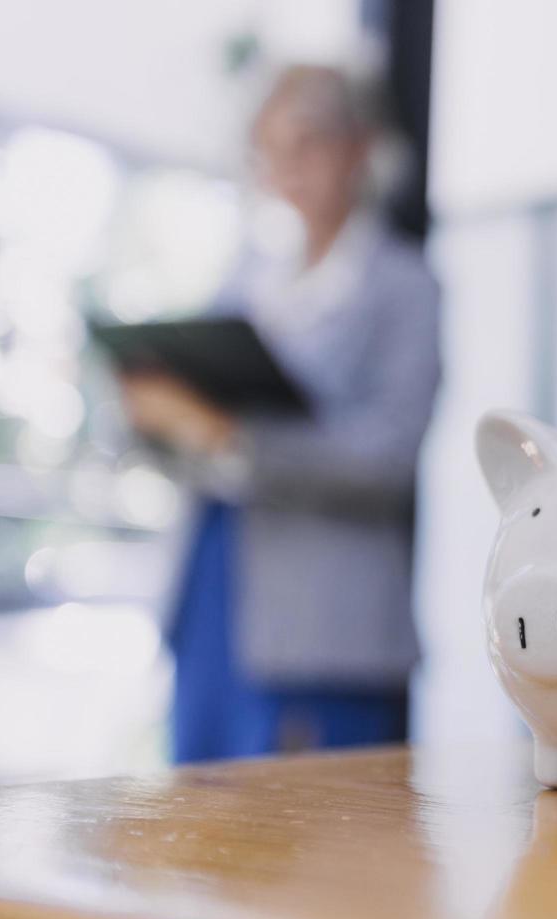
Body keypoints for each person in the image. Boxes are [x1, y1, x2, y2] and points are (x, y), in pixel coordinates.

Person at [119, 66, 441, 762]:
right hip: (213, 588)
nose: (285, 170)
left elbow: (386, 459)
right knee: (199, 835)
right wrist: (154, 412)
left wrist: (232, 437)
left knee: (307, 843)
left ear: (361, 148)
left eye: (306, 145)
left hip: (325, 625)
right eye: (270, 150)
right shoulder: (248, 276)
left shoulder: (403, 286)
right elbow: (190, 420)